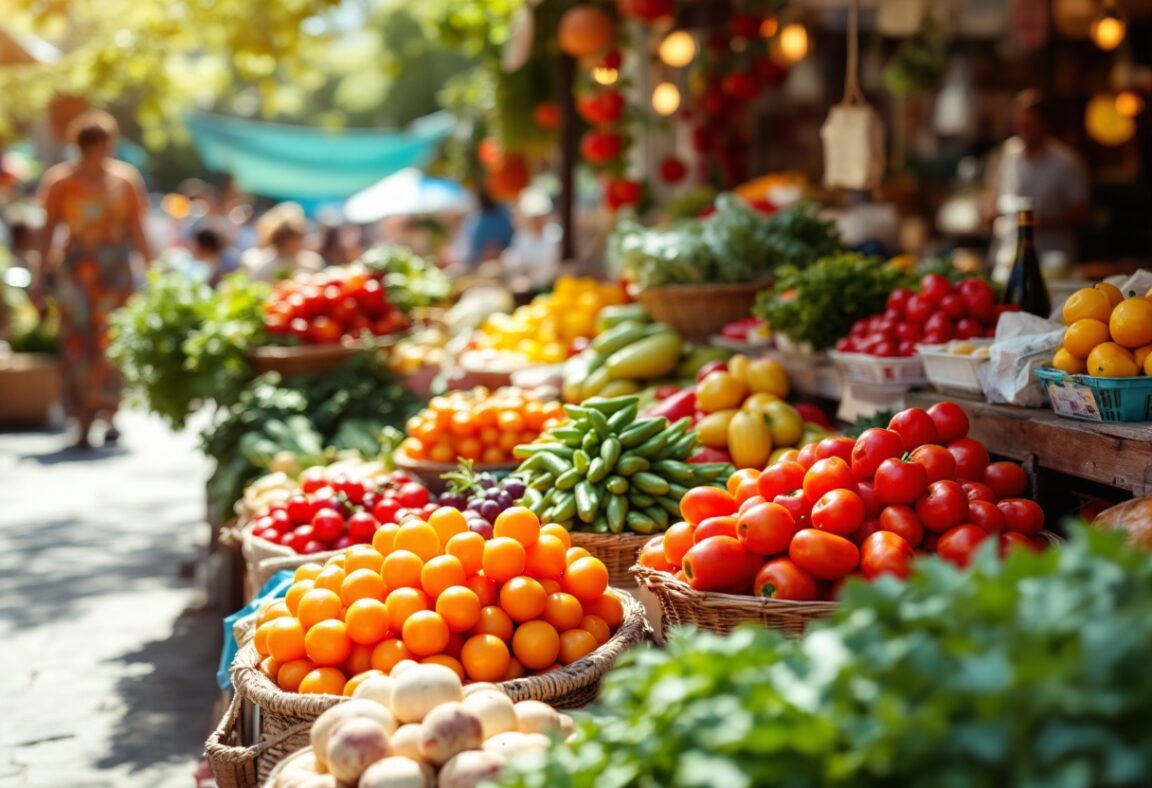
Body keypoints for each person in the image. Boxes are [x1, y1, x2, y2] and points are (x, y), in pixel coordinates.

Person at [31, 110, 153, 450]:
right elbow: (47, 231)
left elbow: (137, 229)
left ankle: (109, 412)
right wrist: (39, 277)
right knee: (77, 342)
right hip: (76, 272)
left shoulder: (124, 180)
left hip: (114, 272)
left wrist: (154, 272)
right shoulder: (61, 181)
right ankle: (81, 417)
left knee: (111, 340)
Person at [984, 90, 1090, 282]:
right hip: (1008, 256)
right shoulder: (1005, 155)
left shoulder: (1067, 162)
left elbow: (1082, 212)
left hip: (1051, 261)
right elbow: (993, 194)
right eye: (1019, 125)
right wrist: (989, 212)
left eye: (1029, 125)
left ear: (1045, 125)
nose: (1023, 131)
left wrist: (1047, 222)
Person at [240, 202, 324, 282]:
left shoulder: (311, 263)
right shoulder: (263, 267)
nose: (296, 244)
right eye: (291, 240)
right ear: (281, 239)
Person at [502, 188, 561, 293]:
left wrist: (532, 280)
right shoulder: (522, 237)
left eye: (539, 217)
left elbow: (553, 270)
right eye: (533, 217)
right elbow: (515, 263)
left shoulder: (556, 236)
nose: (536, 221)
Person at [458, 187, 515, 268]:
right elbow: (471, 250)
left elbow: (512, 242)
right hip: (480, 264)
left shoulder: (505, 216)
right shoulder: (473, 220)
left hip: (503, 263)